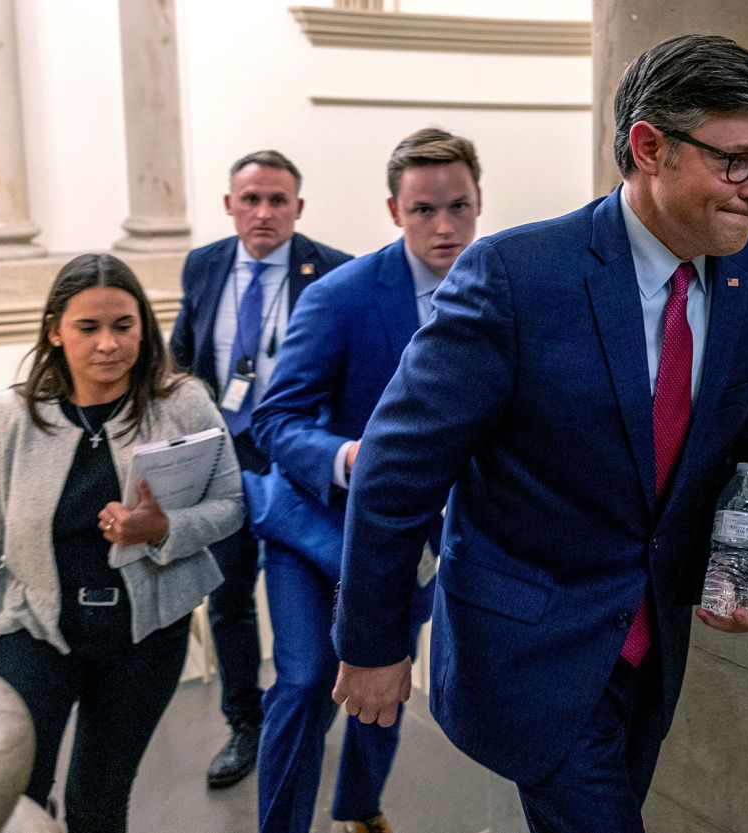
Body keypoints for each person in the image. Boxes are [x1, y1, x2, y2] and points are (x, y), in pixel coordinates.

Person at [330, 35, 748, 832]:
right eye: (737, 162)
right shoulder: (516, 276)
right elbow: (397, 470)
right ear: (650, 147)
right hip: (528, 652)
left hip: (653, 649)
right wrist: (374, 642)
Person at [0, 253, 242, 832]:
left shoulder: (183, 404)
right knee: (14, 792)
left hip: (145, 637)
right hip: (36, 628)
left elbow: (230, 507)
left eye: (124, 325)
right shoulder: (10, 416)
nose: (108, 344)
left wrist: (163, 530)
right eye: (87, 327)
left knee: (99, 799)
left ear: (144, 327)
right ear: (55, 331)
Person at [247, 127, 483, 833]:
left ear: (479, 202)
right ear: (393, 210)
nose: (444, 227)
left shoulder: (502, 290)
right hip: (314, 526)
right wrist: (350, 459)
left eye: (459, 207)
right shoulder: (342, 295)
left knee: (386, 680)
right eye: (423, 211)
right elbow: (276, 419)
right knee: (304, 682)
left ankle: (360, 806)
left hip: (414, 540)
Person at [169, 150, 352, 788]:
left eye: (279, 201)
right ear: (230, 205)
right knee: (229, 598)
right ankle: (244, 725)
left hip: (300, 461)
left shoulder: (333, 272)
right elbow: (184, 362)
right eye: (251, 199)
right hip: (226, 461)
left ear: (298, 208)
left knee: (313, 590)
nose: (265, 212)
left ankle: (311, 709)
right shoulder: (204, 265)